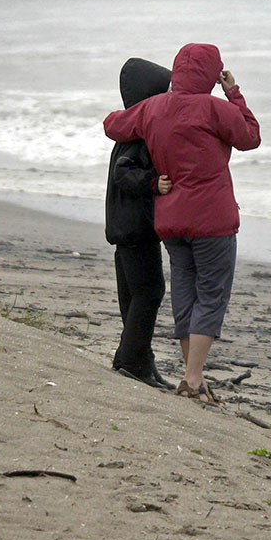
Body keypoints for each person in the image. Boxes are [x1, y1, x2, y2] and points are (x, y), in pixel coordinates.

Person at [103, 43, 261, 405]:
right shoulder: (214, 107)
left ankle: (195, 377)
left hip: (171, 220)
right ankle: (192, 377)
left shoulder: (153, 108)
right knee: (211, 294)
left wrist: (145, 114)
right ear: (211, 74)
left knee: (185, 293)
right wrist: (233, 92)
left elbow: (113, 125)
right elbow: (251, 137)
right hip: (212, 219)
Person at [105, 58, 175, 390]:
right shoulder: (138, 132)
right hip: (135, 228)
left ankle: (137, 360)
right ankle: (132, 361)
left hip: (125, 227)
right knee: (149, 291)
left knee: (134, 295)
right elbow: (124, 173)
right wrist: (153, 182)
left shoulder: (130, 127)